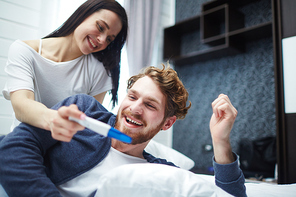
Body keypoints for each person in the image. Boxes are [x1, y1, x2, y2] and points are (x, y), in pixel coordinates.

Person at [0, 65, 246, 197]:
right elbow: (11, 149)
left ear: (167, 123)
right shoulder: (85, 112)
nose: (135, 109)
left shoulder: (161, 172)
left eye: (150, 105)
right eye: (132, 97)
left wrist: (220, 140)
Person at [1, 0, 128, 140]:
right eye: (100, 27)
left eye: (109, 39)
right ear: (83, 14)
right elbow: (21, 105)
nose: (102, 40)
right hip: (23, 141)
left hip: (65, 150)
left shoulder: (99, 72)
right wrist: (54, 118)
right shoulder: (24, 51)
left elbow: (88, 125)